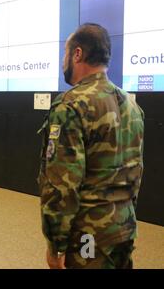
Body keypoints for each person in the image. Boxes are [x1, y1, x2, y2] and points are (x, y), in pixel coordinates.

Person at [37, 23, 144, 269]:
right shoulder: (132, 105)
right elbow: (137, 172)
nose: (63, 60)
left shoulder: (71, 106)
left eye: (65, 53)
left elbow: (61, 185)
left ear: (77, 54)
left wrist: (56, 245)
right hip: (124, 229)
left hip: (88, 236)